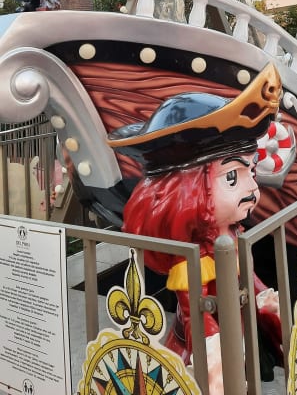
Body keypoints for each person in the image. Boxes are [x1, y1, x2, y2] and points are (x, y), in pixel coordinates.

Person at [108, 62, 284, 393]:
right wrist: (214, 352)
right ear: (188, 192)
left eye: (252, 172)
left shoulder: (231, 233)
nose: (252, 188)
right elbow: (194, 314)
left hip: (235, 332)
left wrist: (264, 300)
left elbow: (246, 276)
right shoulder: (193, 255)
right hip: (200, 350)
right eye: (231, 177)